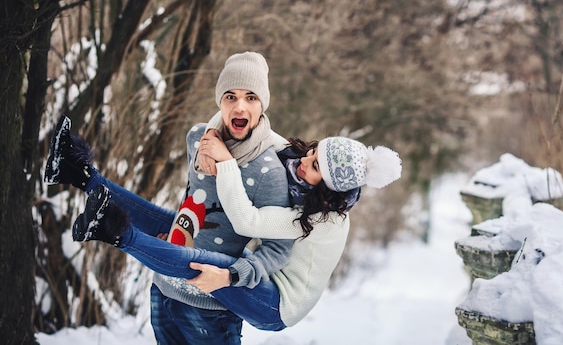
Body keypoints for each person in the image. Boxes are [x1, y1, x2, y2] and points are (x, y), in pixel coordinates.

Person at [45, 52, 294, 345]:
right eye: (230, 96)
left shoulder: (268, 172)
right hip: (163, 289)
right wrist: (177, 234)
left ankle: (107, 221)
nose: (240, 106)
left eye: (251, 97)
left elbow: (278, 249)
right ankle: (78, 172)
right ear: (220, 101)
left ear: (263, 103)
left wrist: (234, 276)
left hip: (210, 309)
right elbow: (193, 206)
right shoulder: (197, 140)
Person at [64, 127, 401, 331]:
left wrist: (226, 162)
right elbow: (265, 134)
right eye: (313, 150)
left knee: (210, 264)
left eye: (313, 166)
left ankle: (114, 232)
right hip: (265, 270)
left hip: (277, 304)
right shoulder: (302, 172)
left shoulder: (321, 219)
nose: (303, 161)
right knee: (182, 223)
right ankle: (84, 176)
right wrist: (219, 133)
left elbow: (248, 221)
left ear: (329, 190)